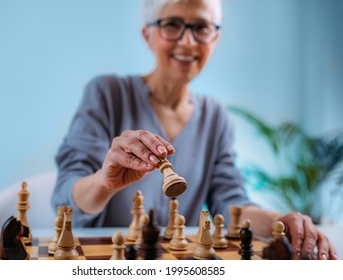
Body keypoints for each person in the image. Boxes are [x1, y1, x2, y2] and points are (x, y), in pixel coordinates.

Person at [51, 0, 337, 260]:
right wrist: (105, 181)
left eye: (201, 27)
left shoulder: (216, 116)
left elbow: (231, 205)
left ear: (215, 37)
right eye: (172, 24)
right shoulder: (107, 93)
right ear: (147, 34)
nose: (188, 42)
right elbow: (65, 200)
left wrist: (281, 220)